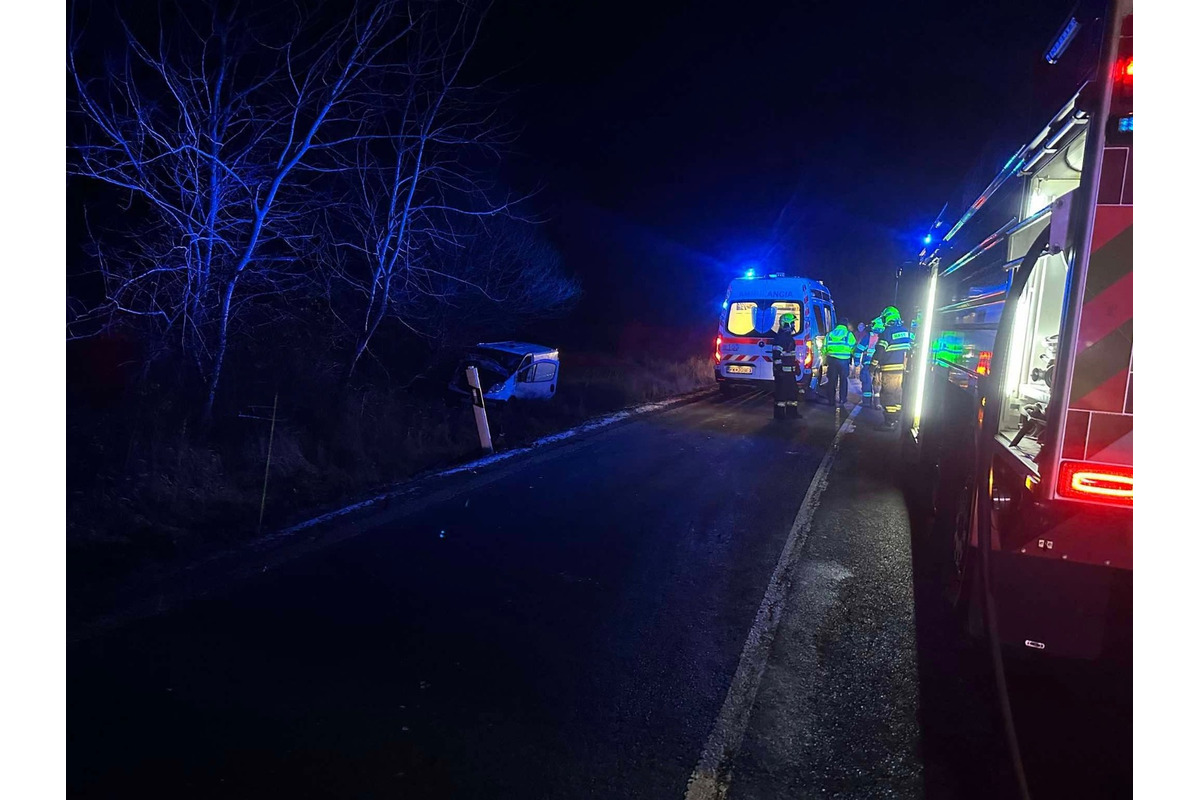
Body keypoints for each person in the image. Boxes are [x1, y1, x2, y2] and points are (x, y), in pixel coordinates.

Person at [871, 306, 912, 430]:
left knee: (888, 394)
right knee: (897, 394)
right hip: (902, 370)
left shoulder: (887, 332)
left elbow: (879, 351)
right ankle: (896, 419)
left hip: (889, 369)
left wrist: (872, 366)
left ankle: (889, 422)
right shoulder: (906, 331)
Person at [771, 313, 802, 420]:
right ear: (786, 324)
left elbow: (790, 355)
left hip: (790, 372)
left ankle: (792, 413)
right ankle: (779, 415)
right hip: (782, 372)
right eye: (792, 323)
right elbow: (776, 355)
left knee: (792, 392)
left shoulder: (789, 338)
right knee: (781, 394)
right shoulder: (780, 338)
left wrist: (795, 364)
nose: (794, 325)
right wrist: (779, 369)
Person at [824, 321, 856, 407]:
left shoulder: (829, 334)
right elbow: (853, 347)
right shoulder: (849, 334)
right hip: (844, 361)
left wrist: (825, 358)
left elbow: (824, 347)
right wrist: (850, 355)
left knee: (832, 380)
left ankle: (831, 400)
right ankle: (842, 399)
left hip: (832, 360)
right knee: (843, 380)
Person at [853, 318, 882, 409]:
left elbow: (858, 350)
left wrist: (857, 362)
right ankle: (878, 403)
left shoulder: (869, 337)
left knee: (866, 382)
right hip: (881, 364)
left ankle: (867, 402)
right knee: (878, 383)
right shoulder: (885, 336)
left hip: (868, 364)